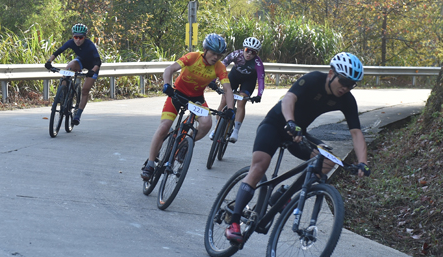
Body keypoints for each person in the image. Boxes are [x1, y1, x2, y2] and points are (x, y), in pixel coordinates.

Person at [224, 52, 370, 244]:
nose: (345, 87)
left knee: (326, 161)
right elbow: (288, 99)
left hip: (299, 134)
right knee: (260, 166)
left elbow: (356, 133)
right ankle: (233, 223)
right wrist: (291, 122)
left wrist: (362, 162)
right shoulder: (313, 79)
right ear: (331, 73)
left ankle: (287, 193)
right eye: (343, 81)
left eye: (351, 84)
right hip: (276, 124)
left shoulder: (347, 100)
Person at [141, 33, 236, 181]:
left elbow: (228, 89)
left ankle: (185, 144)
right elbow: (169, 69)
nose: (216, 57)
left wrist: (230, 109)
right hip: (177, 95)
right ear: (205, 50)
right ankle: (150, 164)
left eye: (219, 54)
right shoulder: (193, 57)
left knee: (206, 123)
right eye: (213, 53)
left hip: (196, 99)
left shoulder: (219, 67)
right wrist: (167, 85)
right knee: (164, 127)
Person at [209, 36, 266, 143]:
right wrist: (213, 81)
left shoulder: (258, 63)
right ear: (243, 49)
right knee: (224, 100)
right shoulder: (235, 54)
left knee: (241, 102)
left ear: (256, 54)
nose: (249, 54)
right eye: (247, 50)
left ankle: (235, 131)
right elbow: (222, 66)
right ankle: (216, 128)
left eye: (253, 52)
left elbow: (261, 79)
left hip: (248, 81)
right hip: (234, 77)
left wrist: (259, 95)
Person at [44, 23, 101, 126]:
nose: (78, 40)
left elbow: (98, 62)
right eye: (76, 37)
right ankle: (62, 94)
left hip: (93, 66)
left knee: (84, 91)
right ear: (73, 36)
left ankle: (78, 115)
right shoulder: (71, 42)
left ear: (85, 37)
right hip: (81, 62)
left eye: (81, 37)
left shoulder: (89, 45)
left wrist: (92, 71)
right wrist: (49, 62)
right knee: (69, 66)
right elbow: (58, 52)